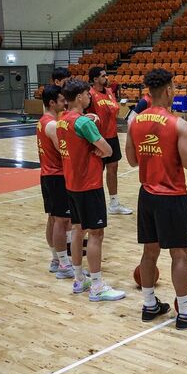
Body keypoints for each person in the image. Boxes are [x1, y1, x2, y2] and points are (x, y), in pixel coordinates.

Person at [126, 68, 187, 328]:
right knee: (180, 254)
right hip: (172, 196)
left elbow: (131, 160)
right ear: (168, 91)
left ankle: (149, 304)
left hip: (147, 195)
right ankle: (185, 313)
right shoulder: (178, 124)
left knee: (149, 251)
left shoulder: (135, 122)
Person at [57, 78, 125, 302]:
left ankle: (79, 279)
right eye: (87, 95)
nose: (90, 98)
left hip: (72, 185)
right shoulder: (84, 123)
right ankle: (97, 286)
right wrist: (98, 148)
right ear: (79, 97)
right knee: (96, 234)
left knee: (78, 230)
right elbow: (106, 150)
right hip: (89, 184)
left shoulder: (62, 121)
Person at [87, 67, 133, 215]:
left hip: (112, 136)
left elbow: (114, 111)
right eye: (103, 76)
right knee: (96, 171)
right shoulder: (90, 94)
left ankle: (114, 203)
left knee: (113, 169)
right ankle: (94, 203)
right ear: (95, 79)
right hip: (97, 138)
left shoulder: (109, 92)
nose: (107, 77)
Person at [37, 85, 72, 278]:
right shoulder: (52, 125)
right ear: (52, 102)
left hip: (46, 175)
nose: (64, 103)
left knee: (53, 218)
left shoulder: (42, 121)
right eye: (61, 100)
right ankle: (64, 265)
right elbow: (64, 151)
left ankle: (56, 259)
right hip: (57, 175)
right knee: (62, 220)